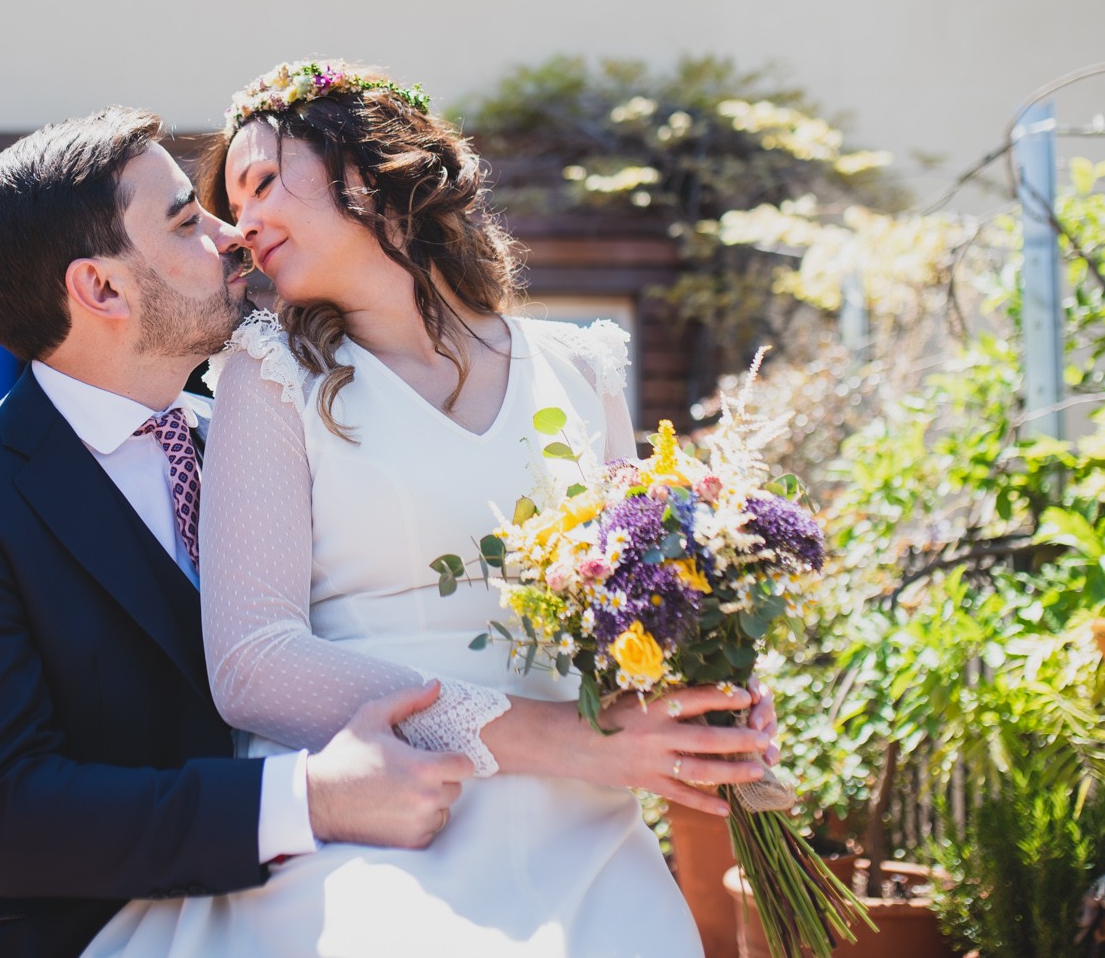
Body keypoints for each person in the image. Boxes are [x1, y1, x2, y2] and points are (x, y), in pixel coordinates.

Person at [83, 62, 778, 957]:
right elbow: (253, 665)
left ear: (367, 174)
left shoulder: (579, 368)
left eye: (260, 184)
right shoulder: (271, 372)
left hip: (585, 825)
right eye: (229, 201)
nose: (240, 224)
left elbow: (643, 603)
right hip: (377, 807)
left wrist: (712, 695)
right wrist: (567, 740)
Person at [0, 108, 475, 958]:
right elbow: (13, 819)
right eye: (189, 220)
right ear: (102, 289)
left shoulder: (256, 434)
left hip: (326, 891)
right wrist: (308, 797)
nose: (236, 234)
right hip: (80, 933)